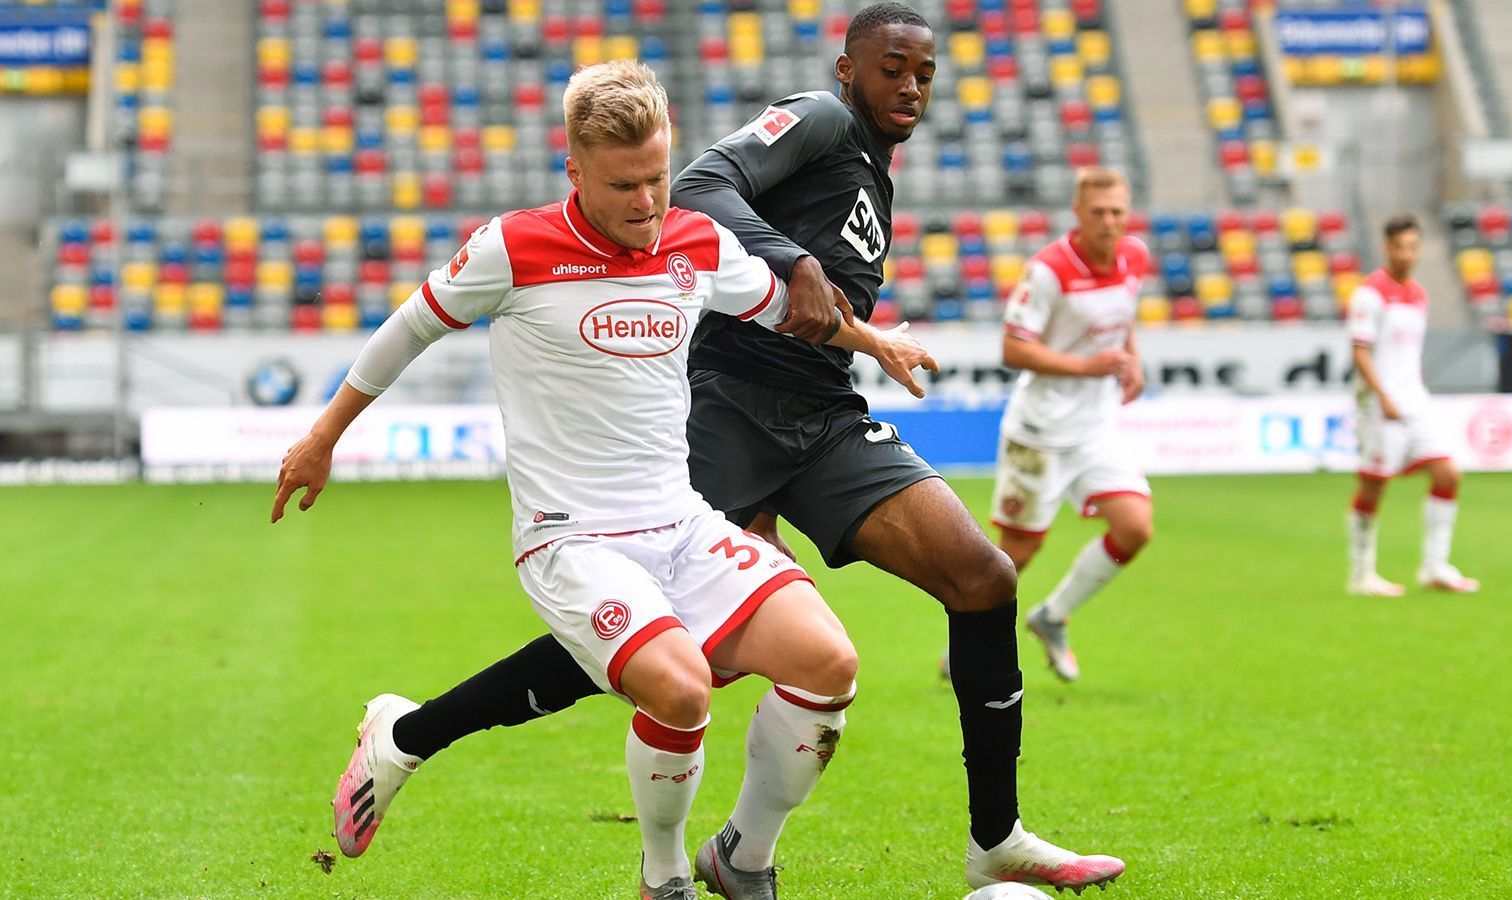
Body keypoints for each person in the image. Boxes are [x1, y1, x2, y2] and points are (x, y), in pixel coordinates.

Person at [312, 5, 1125, 895]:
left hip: (821, 414)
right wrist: (793, 260)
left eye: (924, 72)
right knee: (667, 663)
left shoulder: (866, 173)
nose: (911, 86)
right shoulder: (817, 119)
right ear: (849, 69)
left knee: (981, 580)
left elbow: (723, 245)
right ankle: (418, 742)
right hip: (726, 411)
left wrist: (873, 339)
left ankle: (986, 836)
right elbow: (706, 182)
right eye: (892, 68)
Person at [271, 60, 936, 899]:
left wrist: (880, 345)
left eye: (658, 177)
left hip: (681, 523)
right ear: (575, 170)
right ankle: (664, 879)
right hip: (571, 538)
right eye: (624, 185)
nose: (647, 202)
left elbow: (788, 307)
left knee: (828, 662)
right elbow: (407, 330)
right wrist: (323, 436)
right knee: (681, 685)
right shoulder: (513, 247)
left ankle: (744, 859)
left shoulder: (697, 241)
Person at [984, 167, 1153, 684]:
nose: (1108, 222)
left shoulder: (1136, 257)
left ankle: (1052, 618)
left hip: (1095, 427)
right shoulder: (1049, 270)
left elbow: (1122, 320)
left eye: (1117, 212)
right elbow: (1013, 348)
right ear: (1078, 213)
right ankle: (966, 643)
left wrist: (1132, 360)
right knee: (1015, 555)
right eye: (1098, 212)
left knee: (1135, 528)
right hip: (1039, 431)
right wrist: (1089, 366)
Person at [1345, 214, 1479, 597]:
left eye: (1413, 247)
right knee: (1374, 485)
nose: (1407, 254)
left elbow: (1408, 353)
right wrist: (1382, 394)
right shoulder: (1369, 294)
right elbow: (1360, 351)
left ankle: (1435, 566)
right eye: (1400, 247)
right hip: (1378, 405)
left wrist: (1413, 389)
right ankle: (1361, 574)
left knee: (1448, 474)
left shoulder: (1419, 294)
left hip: (1415, 401)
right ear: (1387, 247)